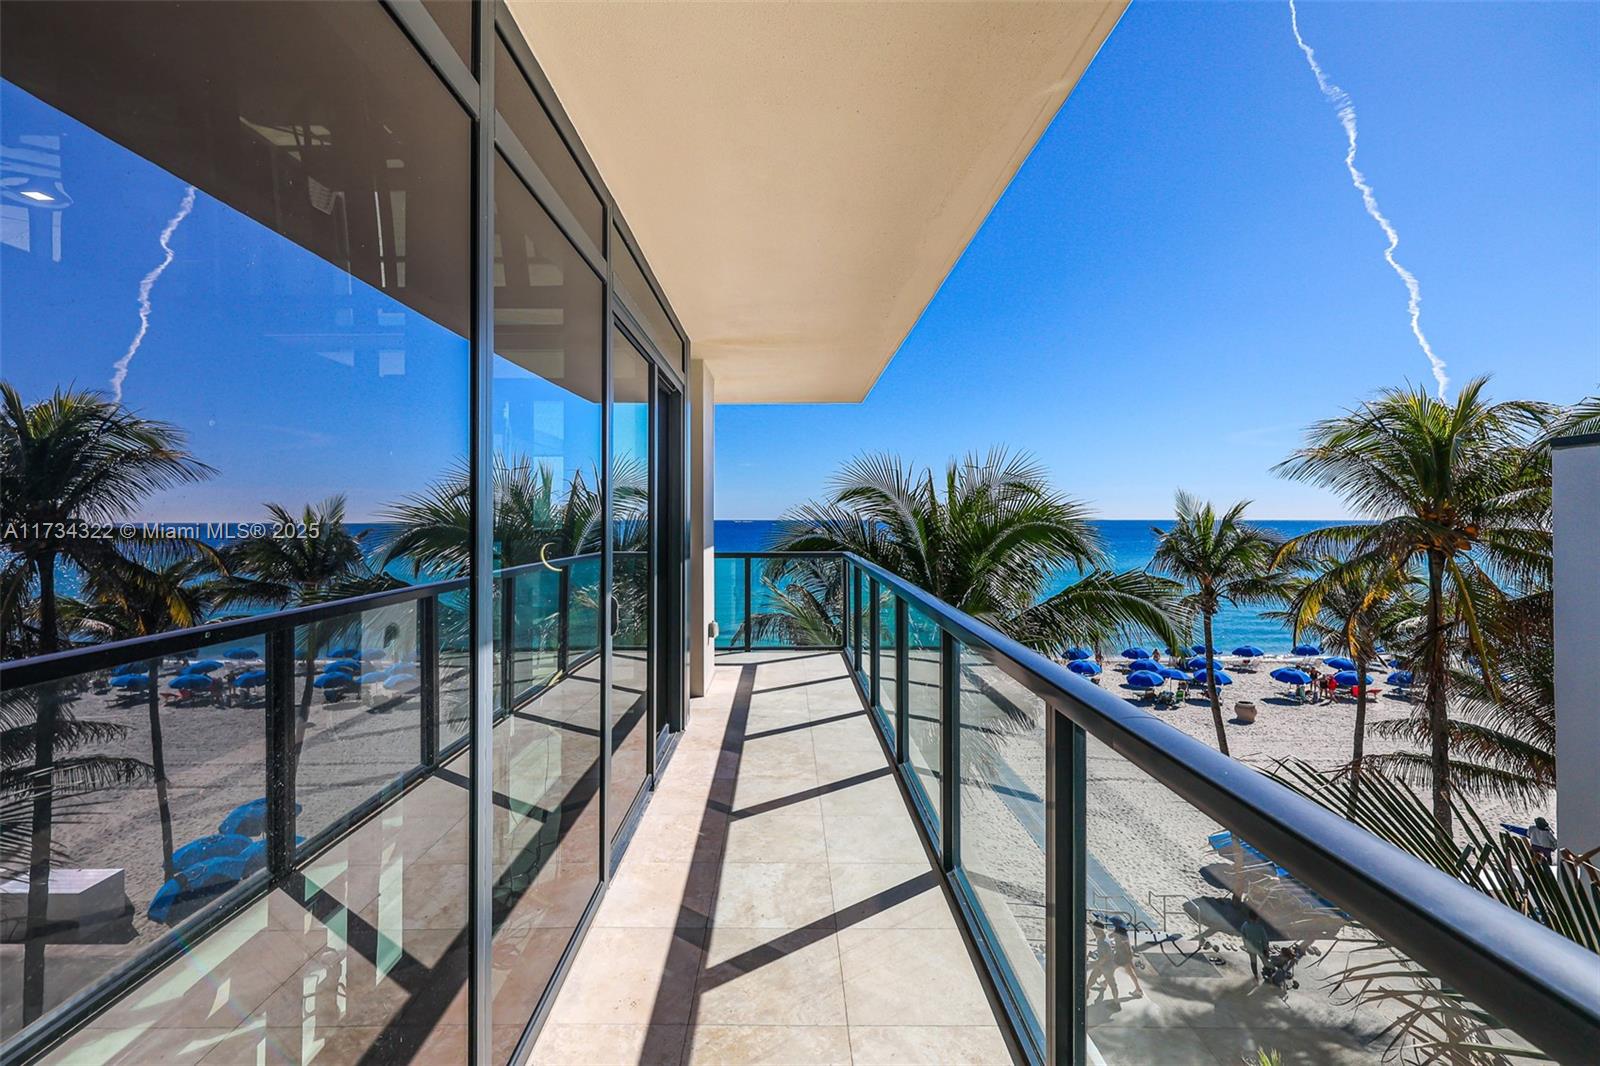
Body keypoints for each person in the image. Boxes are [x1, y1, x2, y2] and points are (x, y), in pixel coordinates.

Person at [1108, 918, 1143, 998]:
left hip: (1122, 956)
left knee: (1112, 969)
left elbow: (1126, 945)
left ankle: (1138, 989)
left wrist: (1129, 956)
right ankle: (1138, 989)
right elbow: (1111, 936)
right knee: (1115, 969)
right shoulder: (1119, 930)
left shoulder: (1121, 933)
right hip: (1122, 955)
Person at [1240, 916, 1270, 982]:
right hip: (1260, 948)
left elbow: (1243, 934)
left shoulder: (1245, 925)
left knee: (1253, 962)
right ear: (1256, 918)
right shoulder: (1260, 927)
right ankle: (1269, 976)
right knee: (1265, 962)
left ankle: (1256, 976)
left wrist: (1246, 944)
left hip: (1251, 947)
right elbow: (1265, 939)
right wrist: (1266, 949)